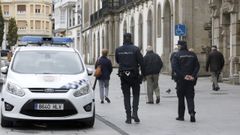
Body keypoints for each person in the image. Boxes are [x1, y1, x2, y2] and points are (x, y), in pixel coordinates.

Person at [115, 33, 145, 124]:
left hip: (123, 75)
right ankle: (135, 113)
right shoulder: (136, 49)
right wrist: (142, 74)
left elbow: (117, 60)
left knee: (126, 96)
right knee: (136, 95)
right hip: (134, 75)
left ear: (123, 39)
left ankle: (128, 117)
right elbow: (142, 62)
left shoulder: (118, 50)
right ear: (131, 39)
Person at [172, 40, 200, 122]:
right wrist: (192, 76)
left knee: (181, 98)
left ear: (180, 46)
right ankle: (192, 113)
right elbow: (197, 67)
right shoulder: (192, 54)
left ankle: (181, 116)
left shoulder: (176, 55)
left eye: (178, 46)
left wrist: (184, 76)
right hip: (191, 80)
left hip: (181, 80)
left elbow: (175, 68)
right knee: (190, 97)